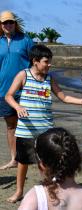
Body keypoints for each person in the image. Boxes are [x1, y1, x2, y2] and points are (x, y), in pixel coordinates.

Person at [5, 44, 82, 203]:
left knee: (49, 164)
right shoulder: (24, 75)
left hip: (47, 132)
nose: (49, 65)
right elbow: (9, 96)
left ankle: (51, 190)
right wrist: (18, 107)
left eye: (50, 61)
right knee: (23, 163)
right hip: (25, 131)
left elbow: (64, 97)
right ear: (35, 61)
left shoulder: (49, 79)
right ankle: (19, 191)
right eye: (46, 61)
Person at [0, 10, 34, 170]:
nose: (8, 25)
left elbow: (36, 62)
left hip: (25, 90)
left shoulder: (25, 40)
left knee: (27, 124)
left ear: (15, 23)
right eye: (4, 22)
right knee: (11, 126)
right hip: (4, 92)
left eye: (10, 22)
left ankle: (29, 157)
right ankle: (14, 159)